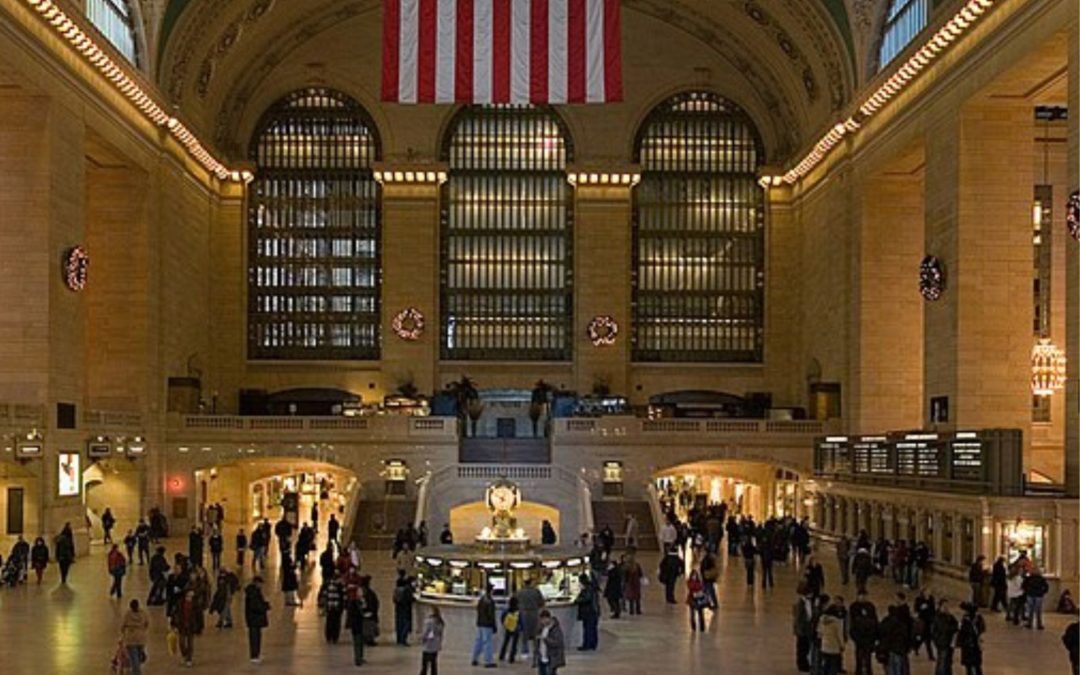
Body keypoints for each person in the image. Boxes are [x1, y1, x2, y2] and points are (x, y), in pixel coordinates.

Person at [849, 591, 878, 675]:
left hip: (869, 637)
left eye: (865, 596)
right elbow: (852, 622)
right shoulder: (854, 606)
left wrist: (875, 635)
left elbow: (875, 620)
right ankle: (858, 671)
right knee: (859, 655)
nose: (863, 598)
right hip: (859, 637)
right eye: (861, 596)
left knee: (868, 656)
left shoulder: (870, 606)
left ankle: (869, 671)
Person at [878, 604, 912, 675]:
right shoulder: (902, 623)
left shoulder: (885, 622)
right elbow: (906, 637)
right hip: (899, 650)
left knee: (890, 670)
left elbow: (881, 635)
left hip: (889, 650)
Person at [172, 589, 203, 667]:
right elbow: (175, 614)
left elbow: (200, 617)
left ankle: (189, 659)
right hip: (182, 625)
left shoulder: (196, 605)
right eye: (189, 595)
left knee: (190, 643)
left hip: (191, 626)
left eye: (191, 596)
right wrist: (174, 624)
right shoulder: (180, 603)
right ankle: (185, 655)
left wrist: (200, 628)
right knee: (181, 642)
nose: (190, 597)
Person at [516, 577, 546, 658]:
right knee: (536, 633)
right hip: (534, 613)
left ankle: (525, 651)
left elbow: (515, 602)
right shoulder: (536, 591)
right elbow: (542, 603)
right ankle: (536, 651)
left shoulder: (520, 592)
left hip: (524, 613)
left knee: (525, 633)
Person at [244, 576, 270, 664]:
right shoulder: (253, 593)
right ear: (257, 583)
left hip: (255, 619)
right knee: (254, 638)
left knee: (257, 637)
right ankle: (254, 656)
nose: (261, 586)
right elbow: (255, 606)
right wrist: (265, 606)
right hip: (254, 619)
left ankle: (257, 654)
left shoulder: (254, 591)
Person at [818, 596, 847, 675]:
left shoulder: (822, 619)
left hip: (824, 646)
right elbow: (839, 635)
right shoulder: (837, 622)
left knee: (826, 666)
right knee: (833, 668)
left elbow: (819, 633)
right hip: (834, 648)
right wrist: (842, 645)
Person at [120, 599, 149, 675]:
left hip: (131, 638)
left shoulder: (128, 614)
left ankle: (136, 672)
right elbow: (147, 623)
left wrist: (123, 634)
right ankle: (137, 670)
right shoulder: (143, 614)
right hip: (141, 637)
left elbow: (122, 626)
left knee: (133, 658)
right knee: (138, 657)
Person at [472, 584, 498, 667]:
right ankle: (488, 661)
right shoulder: (490, 601)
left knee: (479, 641)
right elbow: (491, 615)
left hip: (480, 623)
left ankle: (474, 658)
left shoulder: (482, 599)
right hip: (487, 624)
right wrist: (494, 625)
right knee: (487, 642)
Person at [931, 599, 960, 675]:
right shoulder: (938, 617)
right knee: (942, 663)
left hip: (949, 642)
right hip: (942, 643)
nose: (946, 607)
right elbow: (944, 628)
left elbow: (956, 625)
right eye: (944, 606)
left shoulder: (949, 616)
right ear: (940, 606)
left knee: (948, 663)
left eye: (947, 606)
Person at [957, 602, 985, 675]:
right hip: (975, 645)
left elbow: (961, 631)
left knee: (969, 666)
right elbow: (982, 629)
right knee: (977, 665)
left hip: (968, 645)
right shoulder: (978, 618)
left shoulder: (966, 620)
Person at [536, 610, 566, 675]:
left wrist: (545, 639)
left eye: (544, 619)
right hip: (542, 656)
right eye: (541, 620)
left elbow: (557, 642)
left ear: (548, 618)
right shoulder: (541, 628)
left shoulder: (555, 629)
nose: (542, 622)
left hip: (551, 657)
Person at [575, 573, 600, 650]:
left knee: (588, 628)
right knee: (592, 628)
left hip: (589, 611)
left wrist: (578, 600)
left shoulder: (588, 589)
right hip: (593, 611)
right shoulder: (592, 587)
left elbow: (586, 599)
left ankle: (587, 645)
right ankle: (593, 644)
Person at [793, 590, 815, 672]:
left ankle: (805, 663)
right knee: (801, 648)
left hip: (807, 629)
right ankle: (801, 665)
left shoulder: (809, 602)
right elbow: (798, 618)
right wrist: (799, 630)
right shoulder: (800, 603)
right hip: (802, 630)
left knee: (806, 647)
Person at [420, 606, 445, 675]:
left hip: (428, 645)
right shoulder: (440, 622)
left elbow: (426, 632)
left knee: (425, 665)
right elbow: (440, 635)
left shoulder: (429, 622)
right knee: (433, 663)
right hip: (435, 646)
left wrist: (422, 639)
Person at [393, 569, 415, 645]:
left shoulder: (397, 589)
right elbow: (410, 599)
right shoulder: (407, 589)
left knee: (399, 623)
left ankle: (399, 639)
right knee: (405, 624)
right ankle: (403, 639)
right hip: (405, 608)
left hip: (398, 608)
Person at [914, 588, 937, 660]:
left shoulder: (931, 599)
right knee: (922, 637)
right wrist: (921, 608)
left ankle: (930, 655)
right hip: (922, 621)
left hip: (929, 621)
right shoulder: (919, 599)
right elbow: (916, 609)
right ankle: (916, 646)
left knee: (928, 639)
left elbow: (933, 610)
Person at [346, 587, 367, 666]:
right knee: (357, 642)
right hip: (356, 625)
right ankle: (358, 659)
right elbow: (353, 614)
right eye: (359, 592)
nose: (361, 594)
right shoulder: (354, 603)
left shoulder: (362, 601)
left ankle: (360, 657)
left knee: (361, 642)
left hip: (361, 624)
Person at [323, 573, 346, 643]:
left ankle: (329, 636)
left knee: (329, 622)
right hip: (337, 607)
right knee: (336, 622)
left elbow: (324, 595)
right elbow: (344, 597)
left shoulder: (327, 584)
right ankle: (334, 637)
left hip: (329, 607)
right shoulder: (340, 585)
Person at [499, 596, 522, 662]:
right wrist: (521, 628)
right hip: (516, 628)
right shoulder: (518, 611)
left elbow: (502, 618)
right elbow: (521, 620)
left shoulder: (506, 610)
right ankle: (511, 657)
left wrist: (504, 624)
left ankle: (502, 655)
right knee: (514, 644)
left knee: (506, 642)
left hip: (508, 628)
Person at [623, 551, 645, 615]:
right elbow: (641, 574)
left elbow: (624, 576)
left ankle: (631, 610)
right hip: (636, 582)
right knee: (637, 597)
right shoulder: (637, 566)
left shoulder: (626, 567)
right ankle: (638, 610)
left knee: (631, 598)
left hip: (629, 583)